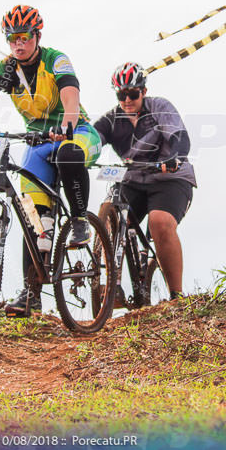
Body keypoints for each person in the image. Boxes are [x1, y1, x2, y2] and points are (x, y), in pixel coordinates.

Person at [0, 5, 102, 316]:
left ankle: (80, 220)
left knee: (69, 154)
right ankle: (32, 294)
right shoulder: (7, 69)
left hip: (75, 132)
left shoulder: (55, 59)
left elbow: (70, 93)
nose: (18, 43)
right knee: (34, 219)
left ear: (37, 36)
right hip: (38, 141)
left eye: (24, 37)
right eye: (12, 38)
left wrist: (67, 124)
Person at [92, 62, 196, 300]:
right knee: (110, 215)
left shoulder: (159, 106)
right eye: (121, 95)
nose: (127, 100)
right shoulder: (111, 119)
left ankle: (176, 296)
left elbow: (180, 137)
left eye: (133, 94)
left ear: (144, 92)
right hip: (134, 179)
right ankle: (112, 288)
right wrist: (79, 153)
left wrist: (174, 156)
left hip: (170, 177)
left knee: (159, 222)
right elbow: (92, 138)